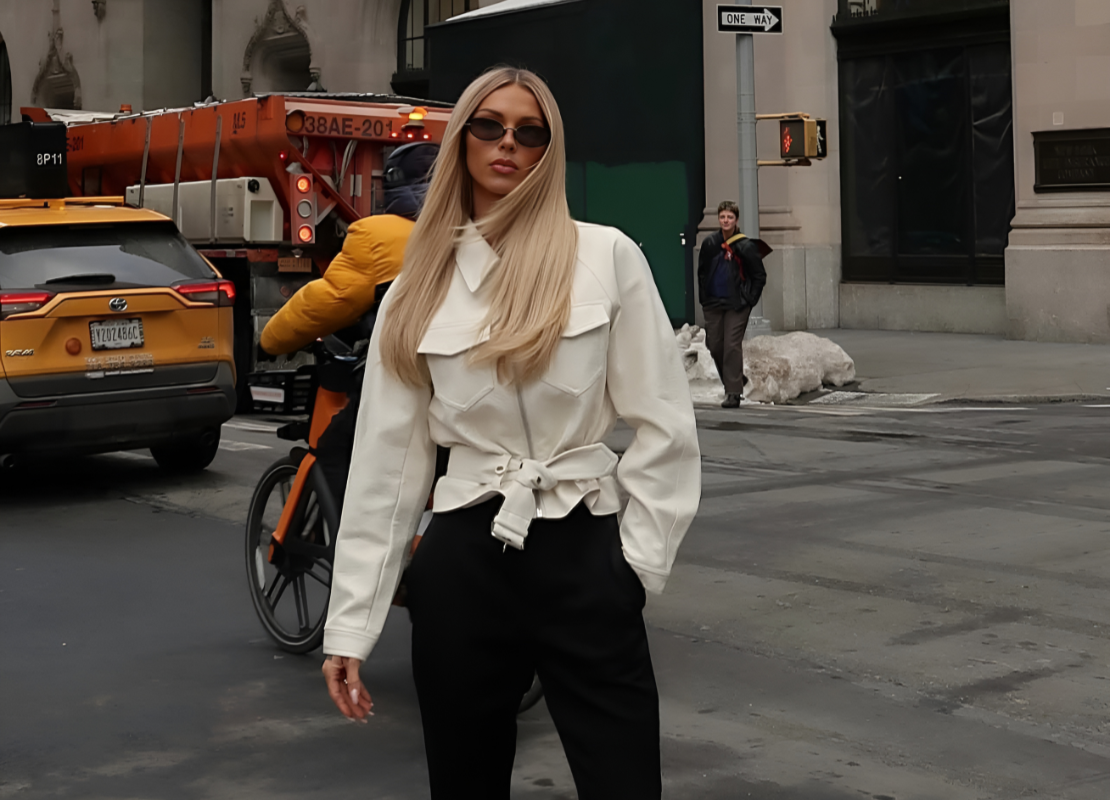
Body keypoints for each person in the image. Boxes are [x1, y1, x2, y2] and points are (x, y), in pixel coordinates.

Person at [320, 66, 701, 799]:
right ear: (461, 138)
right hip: (464, 559)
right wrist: (350, 627)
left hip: (585, 548)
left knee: (625, 780)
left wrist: (636, 567)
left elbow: (664, 423)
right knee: (465, 782)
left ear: (547, 152)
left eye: (530, 133)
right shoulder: (415, 288)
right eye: (489, 126)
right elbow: (388, 467)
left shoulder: (605, 256)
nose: (508, 145)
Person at [259, 142, 438, 510]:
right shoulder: (473, 233)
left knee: (335, 455)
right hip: (469, 389)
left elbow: (327, 300)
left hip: (405, 384)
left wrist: (270, 340)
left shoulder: (379, 235)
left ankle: (353, 555)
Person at [697, 200, 768, 408]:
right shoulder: (710, 243)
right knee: (715, 345)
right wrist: (704, 297)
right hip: (713, 302)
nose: (725, 220)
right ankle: (735, 377)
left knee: (731, 346)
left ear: (736, 220)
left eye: (729, 217)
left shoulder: (745, 246)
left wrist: (749, 299)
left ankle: (733, 392)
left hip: (737, 304)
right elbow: (702, 272)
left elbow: (759, 275)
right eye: (722, 217)